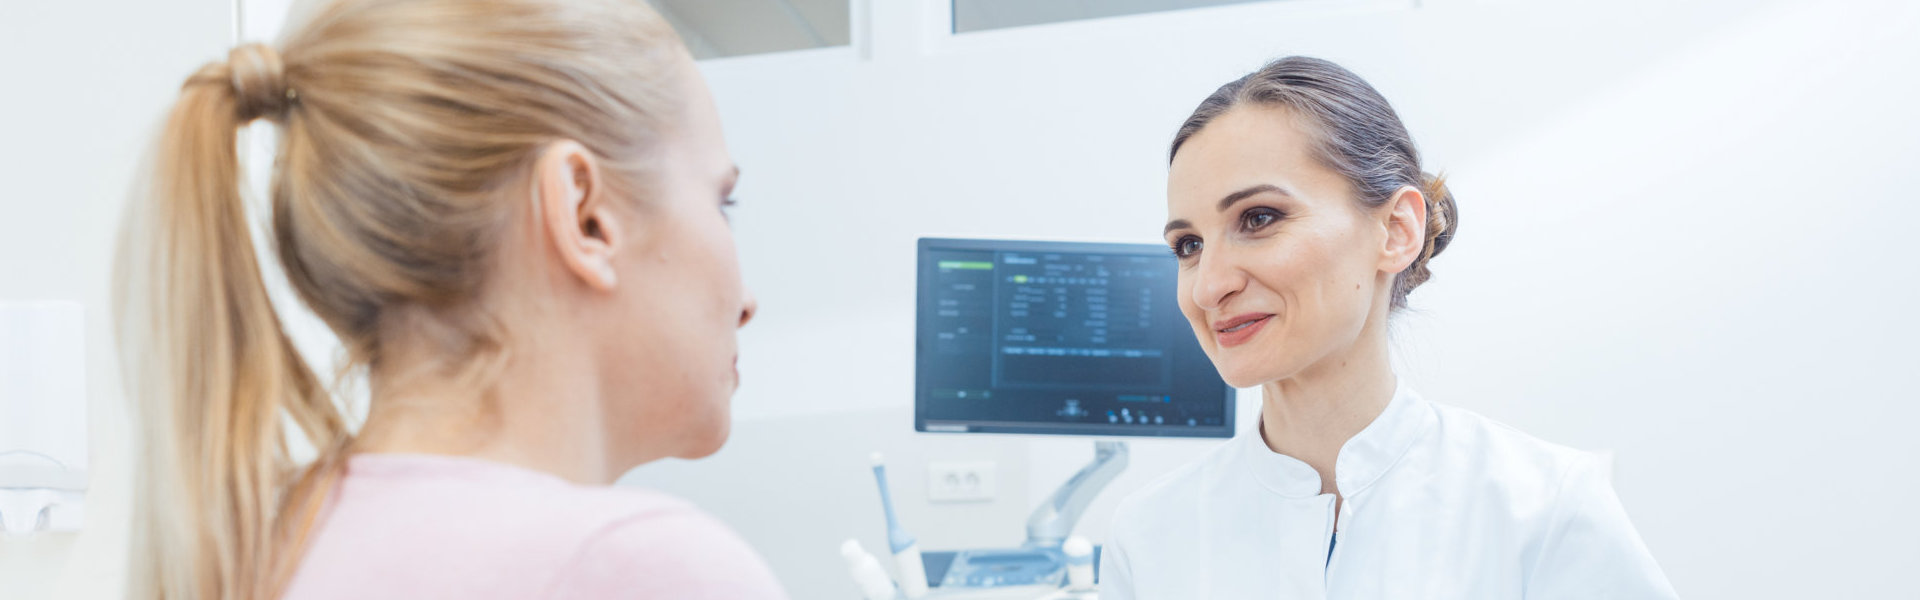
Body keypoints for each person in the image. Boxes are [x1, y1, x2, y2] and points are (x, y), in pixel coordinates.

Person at [112, 0, 785, 598]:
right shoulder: (640, 570)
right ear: (584, 216)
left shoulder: (255, 557)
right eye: (722, 200)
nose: (747, 300)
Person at [1098, 56, 1677, 599]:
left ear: (1396, 230)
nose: (1208, 286)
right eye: (1189, 245)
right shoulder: (1149, 536)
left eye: (1259, 218)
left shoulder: (1543, 508)